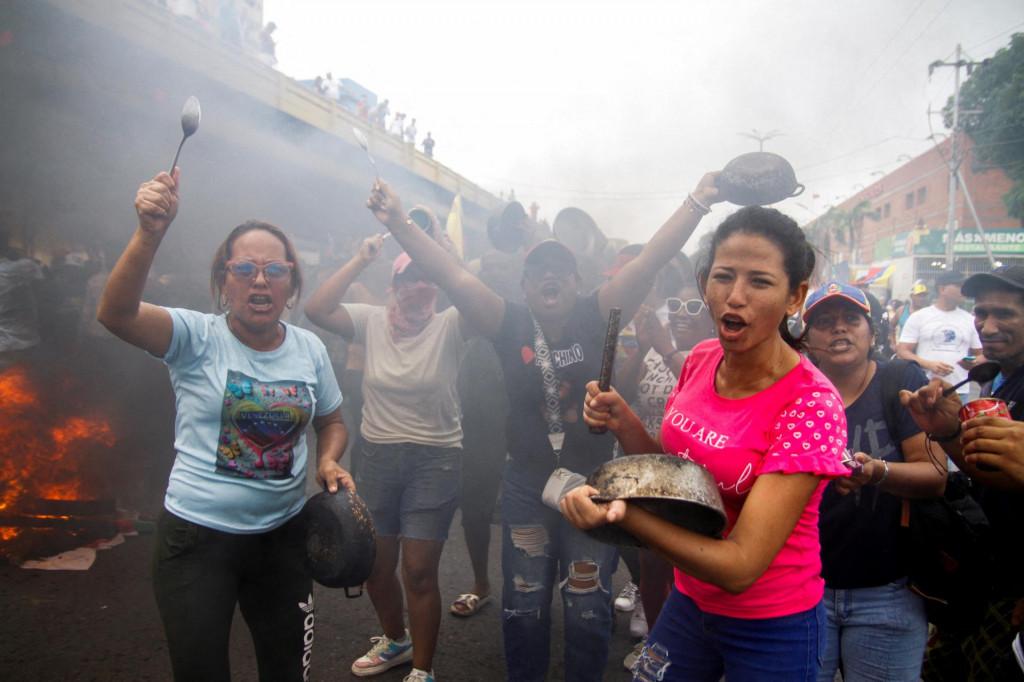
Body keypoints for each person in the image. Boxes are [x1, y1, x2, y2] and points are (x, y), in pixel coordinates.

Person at [365, 173, 721, 682]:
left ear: (576, 282)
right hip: (527, 486)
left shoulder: (597, 314)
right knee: (524, 603)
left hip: (593, 485)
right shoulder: (505, 320)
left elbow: (648, 261)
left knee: (587, 605)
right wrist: (399, 221)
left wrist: (698, 201)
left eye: (560, 270)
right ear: (526, 287)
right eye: (538, 272)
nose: (548, 277)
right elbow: (452, 275)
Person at [561, 206, 850, 682]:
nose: (734, 297)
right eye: (723, 277)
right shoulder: (702, 357)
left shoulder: (811, 405)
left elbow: (740, 567)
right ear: (703, 283)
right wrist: (624, 421)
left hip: (772, 624)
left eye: (759, 281)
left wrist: (623, 514)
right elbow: (677, 476)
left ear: (795, 295)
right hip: (689, 601)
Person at [96, 169, 351, 681]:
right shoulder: (194, 336)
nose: (260, 280)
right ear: (223, 280)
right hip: (195, 543)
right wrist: (150, 232)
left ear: (292, 284)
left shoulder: (310, 350)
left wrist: (327, 458)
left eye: (276, 270)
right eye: (244, 268)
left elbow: (333, 420)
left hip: (282, 540)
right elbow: (116, 313)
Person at [303, 214, 470, 682]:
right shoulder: (370, 320)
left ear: (436, 283)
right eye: (408, 277)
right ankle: (396, 641)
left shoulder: (452, 324)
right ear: (393, 283)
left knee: (418, 571)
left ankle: (422, 669)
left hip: (435, 459)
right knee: (375, 565)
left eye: (426, 278)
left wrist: (440, 250)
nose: (418, 286)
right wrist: (361, 258)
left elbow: (473, 295)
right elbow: (316, 308)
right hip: (376, 458)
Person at [802, 282, 946, 682]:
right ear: (806, 339)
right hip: (802, 590)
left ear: (873, 332)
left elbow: (935, 476)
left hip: (888, 593)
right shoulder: (791, 393)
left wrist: (875, 471)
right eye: (824, 322)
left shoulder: (898, 380)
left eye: (852, 319)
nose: (839, 330)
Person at [899, 263, 1024, 680]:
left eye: (1004, 314)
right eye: (982, 313)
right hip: (985, 568)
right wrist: (948, 429)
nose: (988, 326)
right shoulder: (1000, 380)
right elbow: (991, 470)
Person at [615, 272, 717, 672]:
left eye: (694, 307)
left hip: (697, 481)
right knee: (651, 567)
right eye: (675, 306)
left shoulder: (715, 355)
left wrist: (663, 345)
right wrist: (642, 351)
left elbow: (703, 393)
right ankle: (656, 646)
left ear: (710, 318)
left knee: (690, 571)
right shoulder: (657, 352)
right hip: (654, 471)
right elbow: (623, 392)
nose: (681, 314)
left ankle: (697, 650)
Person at [449, 250, 521, 618]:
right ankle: (481, 584)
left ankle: (525, 587)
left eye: (501, 265)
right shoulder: (470, 309)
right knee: (475, 511)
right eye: (487, 266)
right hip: (478, 427)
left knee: (528, 512)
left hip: (525, 426)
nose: (494, 272)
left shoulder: (525, 309)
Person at [897, 270, 984, 403]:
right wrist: (929, 364)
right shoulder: (919, 317)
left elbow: (982, 355)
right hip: (925, 388)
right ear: (942, 289)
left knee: (958, 424)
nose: (964, 290)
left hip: (959, 391)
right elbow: (902, 351)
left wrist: (974, 362)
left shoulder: (970, 320)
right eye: (959, 286)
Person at [889, 280, 929, 352]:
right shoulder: (901, 311)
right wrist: (893, 344)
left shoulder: (929, 312)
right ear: (911, 296)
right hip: (904, 353)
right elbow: (891, 326)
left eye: (923, 296)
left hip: (923, 354)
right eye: (918, 296)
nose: (921, 299)